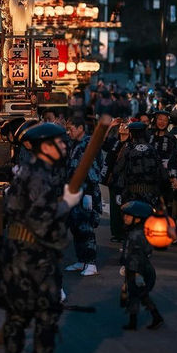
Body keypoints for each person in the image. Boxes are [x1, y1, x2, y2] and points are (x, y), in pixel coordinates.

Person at [0, 122, 81, 353]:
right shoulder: (41, 174)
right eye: (60, 142)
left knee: (18, 310)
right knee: (47, 308)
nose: (65, 146)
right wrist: (66, 204)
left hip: (17, 250)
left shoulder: (28, 170)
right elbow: (41, 219)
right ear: (46, 146)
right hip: (35, 253)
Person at [64, 115, 102, 276]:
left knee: (86, 228)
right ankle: (81, 260)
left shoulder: (88, 144)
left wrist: (88, 195)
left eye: (71, 129)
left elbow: (92, 171)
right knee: (76, 226)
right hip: (74, 192)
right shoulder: (74, 144)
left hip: (86, 191)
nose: (68, 132)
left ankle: (91, 263)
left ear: (80, 129)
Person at [119, 200, 164, 331]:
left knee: (137, 295)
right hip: (136, 269)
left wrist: (135, 275)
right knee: (139, 295)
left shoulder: (136, 235)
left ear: (138, 219)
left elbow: (136, 257)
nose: (125, 218)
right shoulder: (137, 232)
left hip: (139, 271)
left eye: (128, 215)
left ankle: (145, 320)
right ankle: (151, 318)